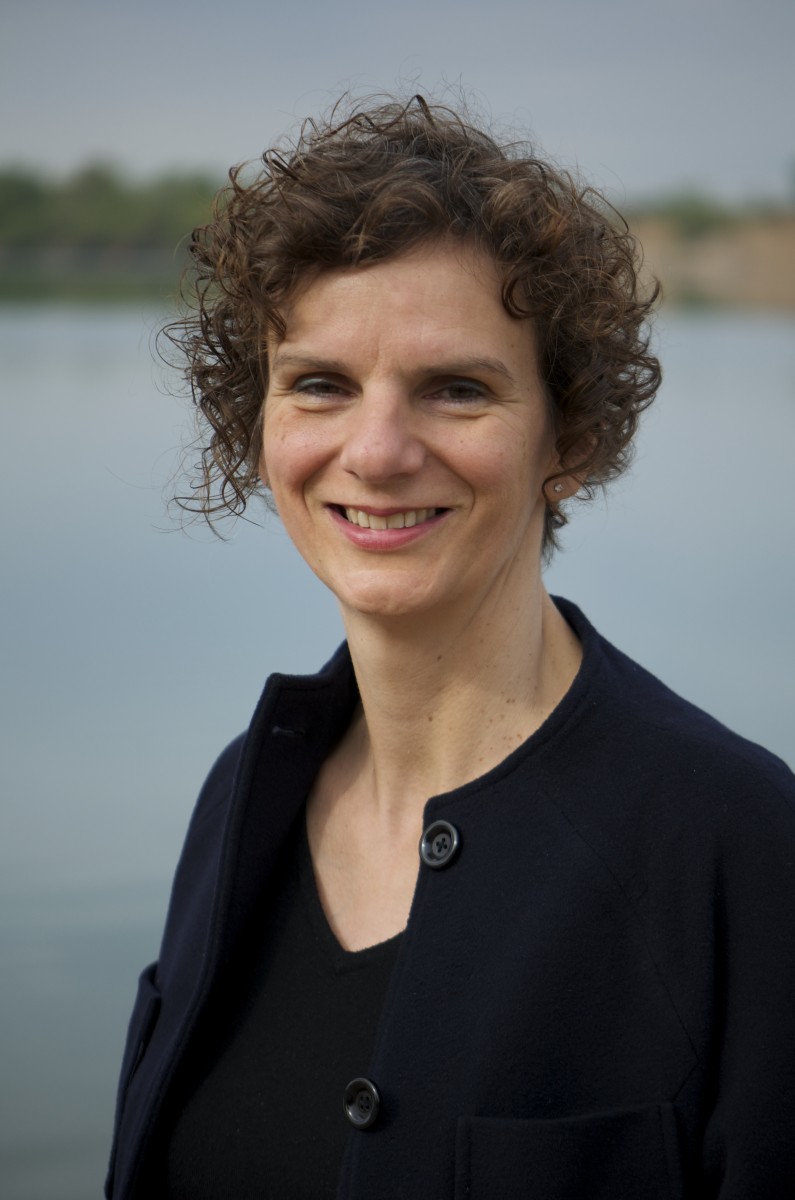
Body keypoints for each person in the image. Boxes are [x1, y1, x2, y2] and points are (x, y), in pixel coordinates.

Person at [106, 96, 795, 1199]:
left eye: (457, 389)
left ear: (570, 437)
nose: (377, 452)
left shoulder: (740, 847)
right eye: (320, 384)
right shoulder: (241, 796)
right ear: (260, 422)